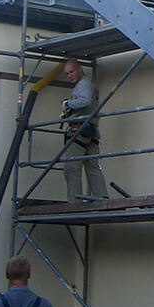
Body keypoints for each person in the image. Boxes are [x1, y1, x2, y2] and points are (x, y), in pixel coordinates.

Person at [61, 57, 108, 202]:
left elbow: (85, 100)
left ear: (80, 69)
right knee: (92, 167)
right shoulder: (87, 84)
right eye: (67, 74)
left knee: (72, 168)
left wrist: (68, 104)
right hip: (90, 132)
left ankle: (74, 203)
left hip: (79, 131)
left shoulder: (83, 84)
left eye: (72, 72)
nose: (70, 76)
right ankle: (102, 199)